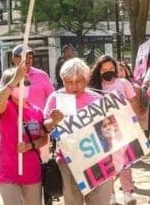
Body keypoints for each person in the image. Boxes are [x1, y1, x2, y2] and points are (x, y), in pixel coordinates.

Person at [41, 57, 112, 204]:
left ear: (86, 80)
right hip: (68, 162)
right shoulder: (55, 98)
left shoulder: (97, 99)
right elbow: (44, 129)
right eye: (69, 82)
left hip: (98, 160)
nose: (74, 86)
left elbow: (111, 130)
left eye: (78, 81)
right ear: (63, 80)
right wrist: (52, 120)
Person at [89, 55, 143, 203]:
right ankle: (110, 195)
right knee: (108, 163)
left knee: (125, 161)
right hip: (104, 130)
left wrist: (135, 123)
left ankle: (127, 192)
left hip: (123, 128)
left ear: (116, 68)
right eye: (104, 69)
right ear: (99, 71)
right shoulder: (95, 87)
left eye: (111, 69)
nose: (108, 71)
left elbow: (133, 102)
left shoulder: (124, 83)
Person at [0, 60, 46, 205]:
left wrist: (30, 146)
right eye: (19, 83)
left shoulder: (37, 111)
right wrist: (15, 78)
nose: (24, 86)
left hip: (32, 172)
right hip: (9, 171)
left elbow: (44, 139)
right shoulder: (6, 107)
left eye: (26, 82)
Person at [10, 44, 55, 109]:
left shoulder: (42, 75)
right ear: (14, 59)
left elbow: (53, 98)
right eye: (24, 57)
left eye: (30, 57)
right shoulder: (8, 76)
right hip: (16, 117)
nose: (27, 60)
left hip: (38, 117)